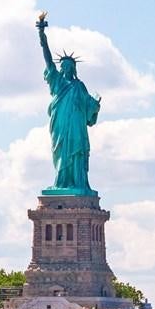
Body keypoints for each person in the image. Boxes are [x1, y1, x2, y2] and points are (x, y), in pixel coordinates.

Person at [36, 12, 101, 193]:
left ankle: (78, 184)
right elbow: (48, 60)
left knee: (77, 151)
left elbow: (89, 108)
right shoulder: (57, 82)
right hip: (60, 124)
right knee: (61, 153)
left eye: (69, 66)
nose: (65, 69)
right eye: (63, 66)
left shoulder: (79, 86)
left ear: (73, 68)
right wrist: (42, 35)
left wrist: (95, 105)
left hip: (77, 126)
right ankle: (62, 182)